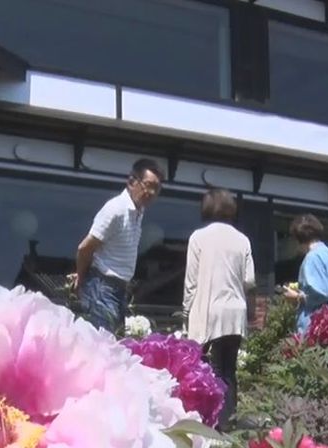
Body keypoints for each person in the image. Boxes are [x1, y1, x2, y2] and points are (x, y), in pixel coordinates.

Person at [183, 189, 256, 431]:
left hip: (208, 312)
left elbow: (191, 283)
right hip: (235, 313)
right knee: (228, 371)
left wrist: (186, 315)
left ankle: (209, 424)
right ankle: (229, 422)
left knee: (208, 370)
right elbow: (250, 281)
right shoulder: (242, 239)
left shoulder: (198, 237)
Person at [72, 158, 164, 332]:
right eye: (148, 185)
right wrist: (82, 278)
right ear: (131, 182)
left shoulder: (138, 211)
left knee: (113, 346)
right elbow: (85, 248)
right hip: (102, 285)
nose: (151, 192)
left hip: (119, 288)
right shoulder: (116, 209)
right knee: (102, 346)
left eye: (157, 188)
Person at [283, 213, 328, 334]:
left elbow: (318, 295)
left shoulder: (312, 258)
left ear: (298, 239)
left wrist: (296, 297)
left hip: (318, 332)